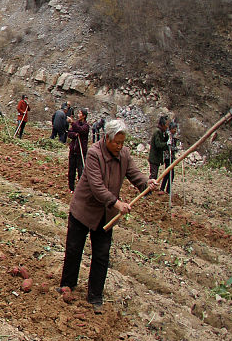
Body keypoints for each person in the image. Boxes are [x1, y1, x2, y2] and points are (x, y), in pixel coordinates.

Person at [59, 118, 158, 313]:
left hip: (106, 215)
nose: (120, 146)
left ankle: (95, 296)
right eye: (116, 142)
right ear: (107, 138)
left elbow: (135, 175)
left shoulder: (124, 154)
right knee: (74, 249)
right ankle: (67, 284)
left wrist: (147, 184)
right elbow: (96, 187)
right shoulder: (94, 154)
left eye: (122, 143)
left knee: (102, 255)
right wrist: (117, 203)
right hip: (84, 209)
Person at [68, 108, 90, 192]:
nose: (78, 115)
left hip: (81, 151)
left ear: (84, 116)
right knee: (71, 170)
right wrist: (75, 134)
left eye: (80, 113)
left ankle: (81, 189)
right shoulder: (76, 123)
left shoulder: (86, 126)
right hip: (73, 150)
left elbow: (81, 130)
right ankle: (71, 188)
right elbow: (69, 133)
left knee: (80, 170)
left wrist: (72, 123)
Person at [161, 121, 179, 194]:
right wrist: (176, 148)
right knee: (171, 174)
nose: (175, 130)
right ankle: (167, 190)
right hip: (168, 157)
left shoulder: (172, 136)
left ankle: (163, 189)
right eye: (174, 129)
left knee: (167, 173)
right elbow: (169, 147)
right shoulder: (168, 136)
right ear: (171, 128)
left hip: (170, 157)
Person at [149, 115, 169, 181]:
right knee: (153, 176)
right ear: (162, 125)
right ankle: (147, 190)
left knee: (154, 175)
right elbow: (158, 145)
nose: (167, 127)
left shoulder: (161, 132)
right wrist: (167, 144)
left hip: (156, 159)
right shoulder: (157, 132)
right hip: (154, 158)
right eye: (166, 125)